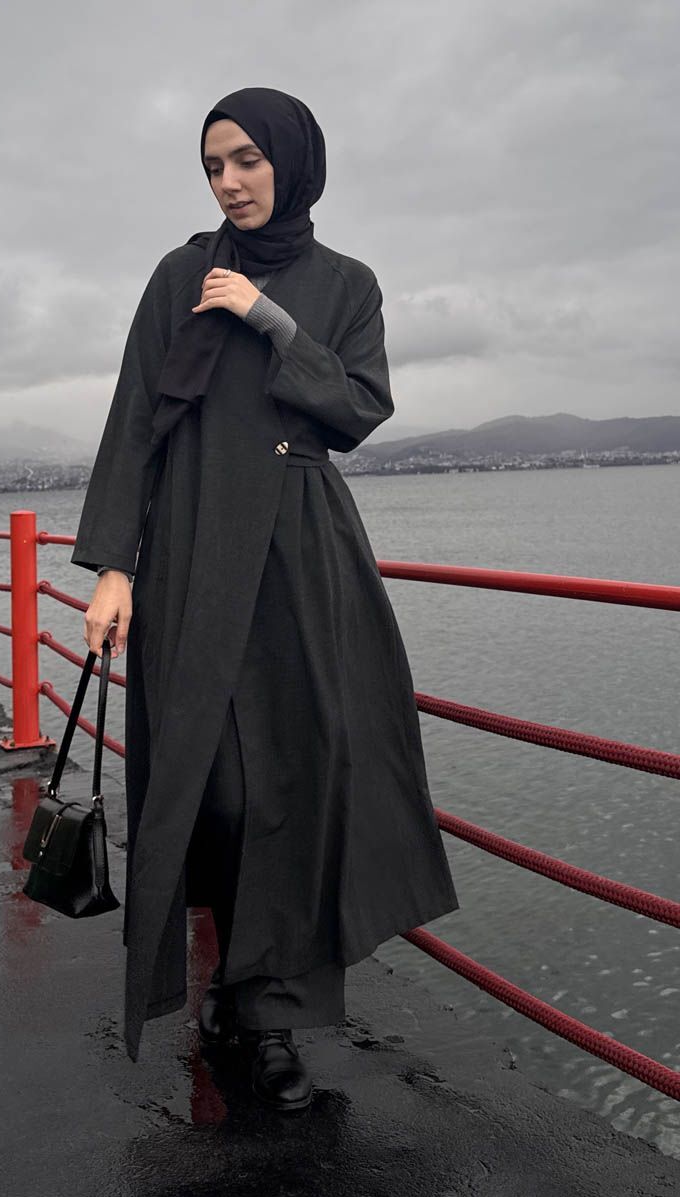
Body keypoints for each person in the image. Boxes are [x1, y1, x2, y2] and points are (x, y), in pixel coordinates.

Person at [71, 86, 460, 1112]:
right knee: (218, 788)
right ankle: (228, 980)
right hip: (192, 544)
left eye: (247, 159)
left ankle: (266, 1014)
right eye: (214, 165)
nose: (230, 181)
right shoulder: (179, 275)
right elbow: (134, 419)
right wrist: (113, 565)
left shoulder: (345, 284)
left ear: (293, 160)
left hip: (300, 550)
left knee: (294, 779)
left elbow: (358, 410)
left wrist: (267, 318)